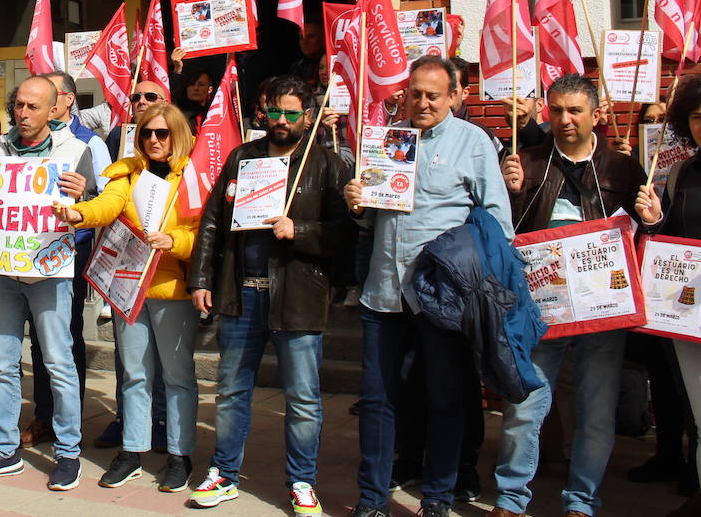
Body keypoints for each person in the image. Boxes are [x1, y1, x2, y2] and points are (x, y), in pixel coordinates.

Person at [343, 55, 515, 517]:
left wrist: (473, 273)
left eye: (433, 95)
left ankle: (438, 495)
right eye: (415, 93)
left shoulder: (473, 142)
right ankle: (372, 499)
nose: (422, 102)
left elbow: (498, 221)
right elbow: (368, 215)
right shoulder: (387, 139)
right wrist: (356, 202)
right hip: (384, 292)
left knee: (446, 397)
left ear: (455, 96)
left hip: (444, 298)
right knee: (378, 400)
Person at [489, 73, 657, 517]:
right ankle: (510, 499)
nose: (564, 119)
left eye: (575, 110)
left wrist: (655, 220)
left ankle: (581, 501)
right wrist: (510, 193)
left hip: (605, 308)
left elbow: (647, 232)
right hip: (541, 308)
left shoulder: (623, 168)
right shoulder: (526, 161)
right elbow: (502, 233)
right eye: (556, 109)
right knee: (526, 404)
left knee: (596, 411)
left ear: (596, 115)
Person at [187, 75, 353, 514]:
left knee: (301, 398)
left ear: (309, 116)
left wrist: (301, 231)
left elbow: (347, 234)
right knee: (231, 390)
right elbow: (211, 222)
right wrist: (202, 278)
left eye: (291, 113)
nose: (281, 120)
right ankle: (223, 472)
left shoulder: (328, 164)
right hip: (242, 293)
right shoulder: (243, 157)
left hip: (299, 295)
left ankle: (302, 482)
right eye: (274, 112)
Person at [0, 76, 97, 491]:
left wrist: (84, 193)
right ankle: (4, 448)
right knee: (2, 362)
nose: (22, 113)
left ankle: (69, 451)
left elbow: (96, 208)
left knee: (58, 363)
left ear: (54, 109)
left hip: (49, 273)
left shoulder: (75, 152)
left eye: (33, 106)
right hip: (4, 272)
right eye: (18, 104)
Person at [59, 103, 199, 493]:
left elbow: (202, 231)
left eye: (162, 133)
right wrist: (78, 214)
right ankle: (133, 452)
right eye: (146, 133)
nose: (153, 140)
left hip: (172, 290)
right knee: (135, 375)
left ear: (177, 134)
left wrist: (174, 241)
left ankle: (178, 455)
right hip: (129, 287)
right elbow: (107, 204)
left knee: (178, 378)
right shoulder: (128, 173)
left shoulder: (192, 177)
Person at [22, 71, 109, 448]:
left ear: (66, 100)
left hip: (72, 251)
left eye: (49, 96)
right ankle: (43, 414)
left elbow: (106, 199)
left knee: (66, 339)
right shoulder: (22, 144)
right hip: (29, 251)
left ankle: (67, 419)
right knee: (39, 340)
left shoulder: (90, 143)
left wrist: (85, 191)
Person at [637, 74, 701, 517]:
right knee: (700, 413)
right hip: (689, 310)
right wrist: (657, 221)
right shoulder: (682, 171)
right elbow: (673, 240)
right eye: (697, 117)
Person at [174, 68, 215, 133]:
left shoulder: (215, 114)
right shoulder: (176, 113)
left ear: (209, 89)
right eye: (191, 84)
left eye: (201, 85)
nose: (196, 88)